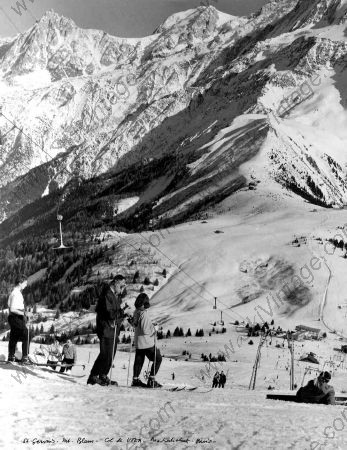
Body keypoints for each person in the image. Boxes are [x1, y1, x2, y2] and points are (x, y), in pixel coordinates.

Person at [87, 275, 127, 386]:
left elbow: (117, 312)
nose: (123, 289)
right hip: (105, 328)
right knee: (105, 354)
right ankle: (93, 376)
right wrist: (121, 312)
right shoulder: (107, 295)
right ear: (116, 283)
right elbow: (110, 314)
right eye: (122, 286)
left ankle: (103, 375)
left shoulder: (116, 296)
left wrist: (123, 313)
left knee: (111, 354)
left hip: (113, 329)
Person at [131, 293, 162, 388]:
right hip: (147, 342)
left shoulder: (136, 312)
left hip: (139, 341)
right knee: (158, 359)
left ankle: (135, 380)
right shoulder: (144, 313)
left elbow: (135, 325)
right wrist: (154, 328)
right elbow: (145, 329)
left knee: (139, 360)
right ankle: (151, 380)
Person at [7, 275, 32, 364]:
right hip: (15, 317)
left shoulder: (15, 292)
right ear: (20, 283)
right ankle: (25, 357)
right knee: (26, 334)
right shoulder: (16, 293)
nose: (26, 285)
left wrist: (24, 315)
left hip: (14, 317)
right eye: (25, 283)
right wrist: (25, 313)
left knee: (14, 336)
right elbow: (13, 309)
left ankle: (11, 356)